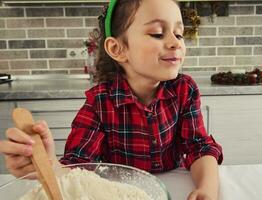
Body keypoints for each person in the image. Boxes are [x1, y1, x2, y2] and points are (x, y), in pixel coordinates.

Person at [0, 0, 223, 199]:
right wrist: (48, 164)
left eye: (179, 33)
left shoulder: (185, 89)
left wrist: (207, 189)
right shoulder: (99, 103)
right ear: (117, 49)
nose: (176, 43)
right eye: (157, 33)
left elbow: (199, 147)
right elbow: (78, 167)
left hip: (175, 185)